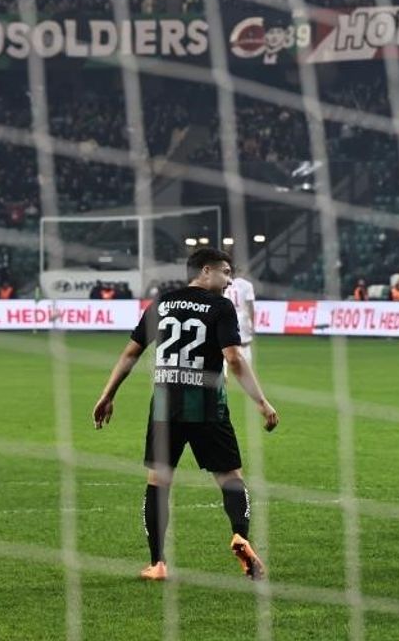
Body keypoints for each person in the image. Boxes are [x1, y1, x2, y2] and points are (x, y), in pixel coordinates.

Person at [92, 247, 279, 582]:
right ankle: (240, 535)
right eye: (225, 272)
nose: (229, 281)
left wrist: (108, 394)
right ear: (205, 270)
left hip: (165, 407)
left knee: (158, 482)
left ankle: (158, 564)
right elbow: (234, 359)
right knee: (230, 477)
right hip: (207, 407)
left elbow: (131, 352)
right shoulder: (221, 306)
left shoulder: (162, 303)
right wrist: (262, 402)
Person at [224, 271, 257, 371]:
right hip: (242, 317)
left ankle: (224, 369)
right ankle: (246, 369)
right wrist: (253, 323)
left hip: (228, 316)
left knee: (226, 344)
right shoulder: (247, 285)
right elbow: (250, 305)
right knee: (245, 344)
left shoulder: (226, 283)